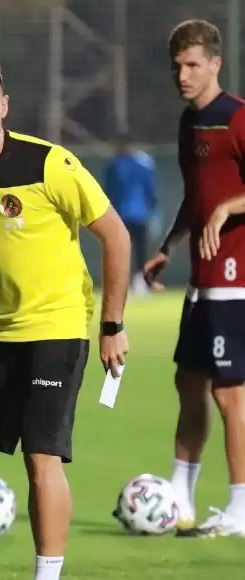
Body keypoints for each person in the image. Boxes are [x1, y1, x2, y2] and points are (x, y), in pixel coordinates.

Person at [0, 54, 131, 580]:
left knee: (41, 458)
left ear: (5, 106)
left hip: (55, 330)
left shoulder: (50, 165)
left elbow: (115, 236)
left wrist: (112, 325)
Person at [143, 19, 245, 538]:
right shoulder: (190, 123)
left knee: (230, 394)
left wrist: (228, 208)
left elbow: (221, 201)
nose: (182, 76)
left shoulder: (238, 117)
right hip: (202, 282)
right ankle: (178, 498)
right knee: (189, 384)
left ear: (215, 65)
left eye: (192, 65)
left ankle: (240, 508)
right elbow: (196, 197)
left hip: (235, 277)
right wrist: (168, 247)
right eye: (176, 66)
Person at [103, 133, 157, 296]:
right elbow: (151, 192)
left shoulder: (115, 165)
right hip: (135, 215)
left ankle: (132, 283)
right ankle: (137, 283)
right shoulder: (144, 163)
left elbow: (108, 192)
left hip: (125, 215)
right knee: (136, 251)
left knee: (126, 251)